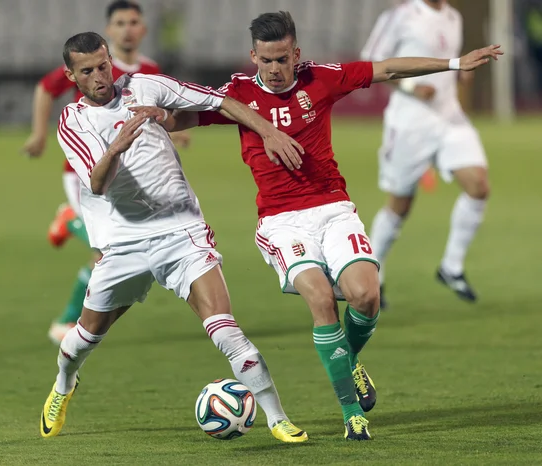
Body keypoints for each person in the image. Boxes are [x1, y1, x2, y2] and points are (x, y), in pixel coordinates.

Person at [136, 11, 501, 440]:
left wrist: (455, 64)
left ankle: (349, 359)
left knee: (366, 296)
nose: (274, 70)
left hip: (333, 209)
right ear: (254, 56)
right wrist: (161, 119)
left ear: (297, 53)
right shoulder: (238, 93)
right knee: (322, 298)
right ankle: (352, 414)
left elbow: (387, 68)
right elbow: (190, 116)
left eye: (282, 59)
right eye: (266, 60)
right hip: (281, 222)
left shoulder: (321, 79)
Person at [40, 31, 308, 444]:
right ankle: (63, 385)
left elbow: (220, 101)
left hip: (181, 231)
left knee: (226, 330)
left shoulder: (146, 85)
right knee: (85, 338)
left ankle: (277, 418)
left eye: (103, 64)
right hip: (122, 242)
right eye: (88, 70)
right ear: (71, 75)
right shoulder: (72, 120)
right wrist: (117, 146)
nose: (99, 76)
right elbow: (97, 184)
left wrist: (267, 131)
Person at [22, 1, 188, 344]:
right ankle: (69, 315)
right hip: (85, 175)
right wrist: (39, 134)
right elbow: (45, 88)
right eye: (120, 22)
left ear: (142, 29)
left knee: (109, 251)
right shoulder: (86, 63)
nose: (127, 28)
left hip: (129, 178)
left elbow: (157, 110)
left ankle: (69, 227)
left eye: (133, 22)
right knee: (106, 251)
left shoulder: (148, 70)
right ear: (109, 31)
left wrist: (176, 127)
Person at [361, 0, 492, 307]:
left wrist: (459, 75)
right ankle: (372, 275)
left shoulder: (453, 17)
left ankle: (451, 267)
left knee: (478, 184)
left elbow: (447, 65)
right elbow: (370, 62)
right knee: (400, 204)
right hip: (409, 124)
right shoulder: (401, 16)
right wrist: (411, 88)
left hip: (449, 118)